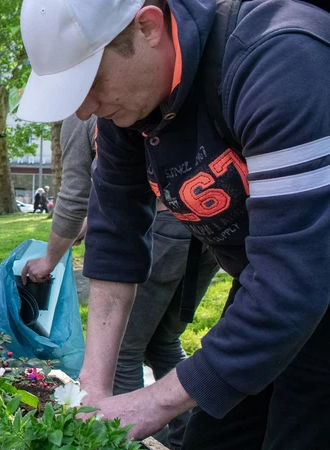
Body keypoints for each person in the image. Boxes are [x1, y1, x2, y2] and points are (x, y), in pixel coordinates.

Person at [18, 0, 330, 447]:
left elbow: (295, 283)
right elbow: (115, 230)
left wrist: (147, 405)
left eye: (89, 81)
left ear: (147, 27)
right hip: (269, 277)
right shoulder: (132, 103)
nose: (83, 110)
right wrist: (92, 390)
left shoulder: (279, 58)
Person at [22, 114, 218, 449]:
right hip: (204, 223)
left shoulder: (80, 113)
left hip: (160, 232)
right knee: (164, 343)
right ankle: (193, 440)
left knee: (124, 352)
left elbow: (73, 194)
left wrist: (48, 260)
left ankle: (130, 441)